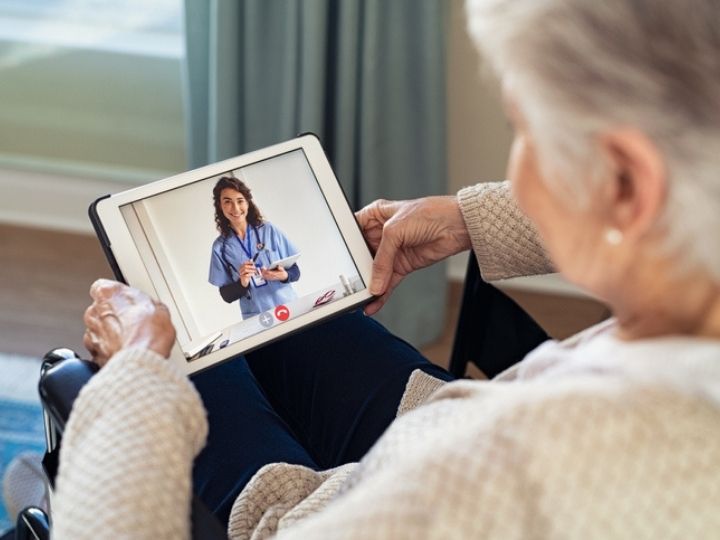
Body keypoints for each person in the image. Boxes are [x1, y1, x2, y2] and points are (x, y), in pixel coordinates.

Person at [52, 0, 720, 537]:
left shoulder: (499, 473)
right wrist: (467, 219)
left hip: (329, 506)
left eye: (527, 133)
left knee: (174, 354)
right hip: (462, 416)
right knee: (278, 322)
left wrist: (135, 386)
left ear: (626, 184)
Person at [208, 176, 300, 318]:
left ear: (247, 203)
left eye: (240, 201)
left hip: (287, 305)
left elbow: (295, 271)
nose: (236, 208)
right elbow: (226, 295)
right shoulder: (220, 247)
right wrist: (242, 283)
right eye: (227, 202)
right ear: (220, 206)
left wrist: (284, 275)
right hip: (257, 316)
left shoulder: (269, 230)